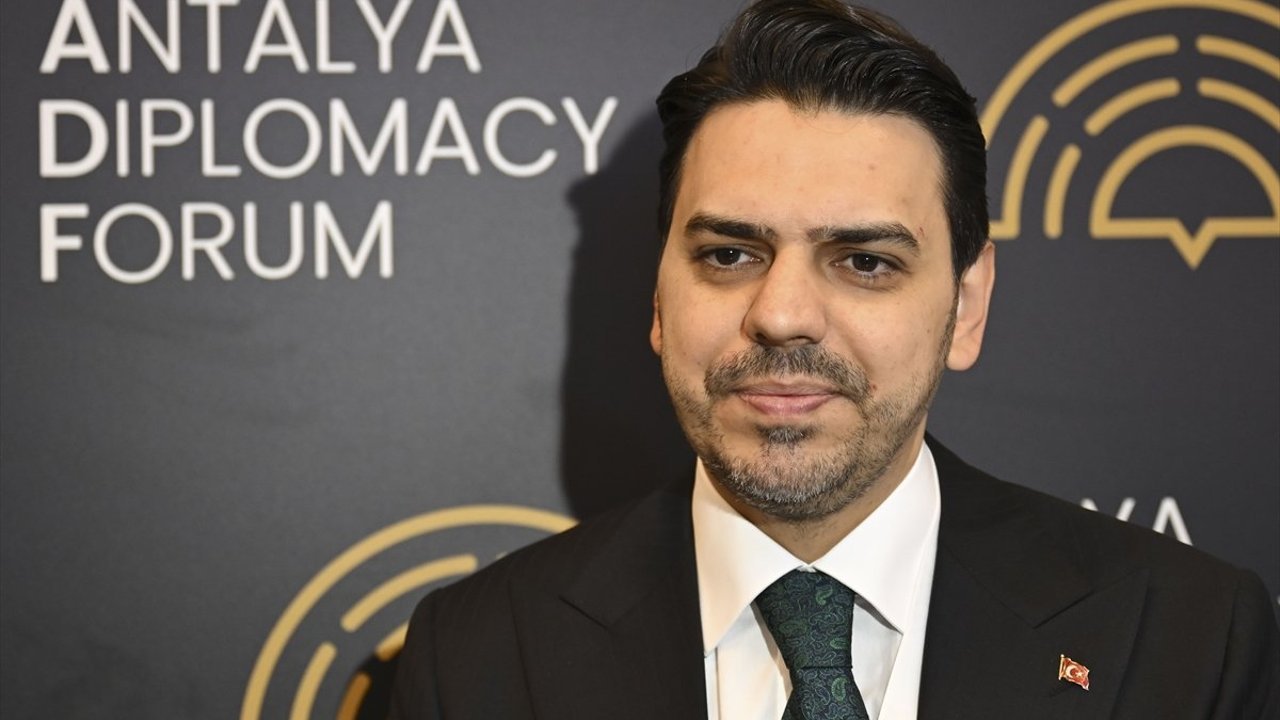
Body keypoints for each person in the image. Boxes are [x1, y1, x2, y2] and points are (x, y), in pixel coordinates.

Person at [389, 1, 1280, 718]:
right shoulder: (473, 658)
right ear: (659, 296)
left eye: (865, 262)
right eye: (728, 254)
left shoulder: (1191, 641)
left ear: (967, 306)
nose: (782, 317)